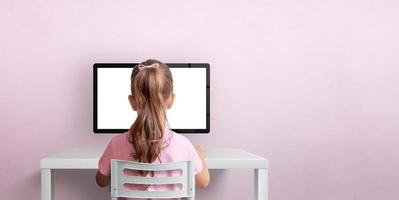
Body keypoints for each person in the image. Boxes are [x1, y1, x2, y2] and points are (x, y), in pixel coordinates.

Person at [96, 59, 210, 193]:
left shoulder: (116, 144)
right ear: (171, 100)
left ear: (132, 102)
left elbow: (101, 182)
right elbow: (203, 182)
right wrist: (199, 154)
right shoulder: (183, 145)